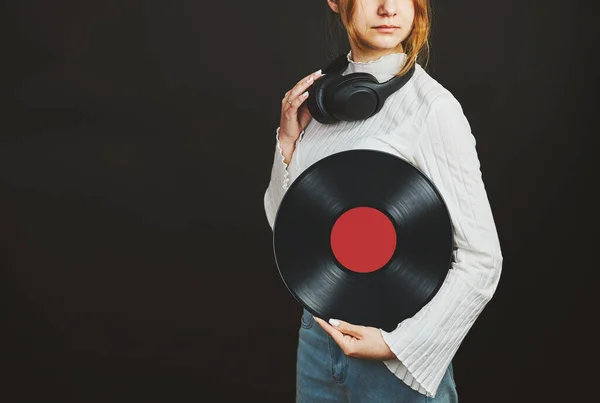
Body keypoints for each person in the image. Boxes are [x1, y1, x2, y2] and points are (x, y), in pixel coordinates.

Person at [263, 0, 503, 402]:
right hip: (318, 342)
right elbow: (288, 231)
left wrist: (398, 346)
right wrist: (287, 143)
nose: (389, 8)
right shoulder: (324, 103)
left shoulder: (433, 110)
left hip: (394, 357)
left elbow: (483, 260)